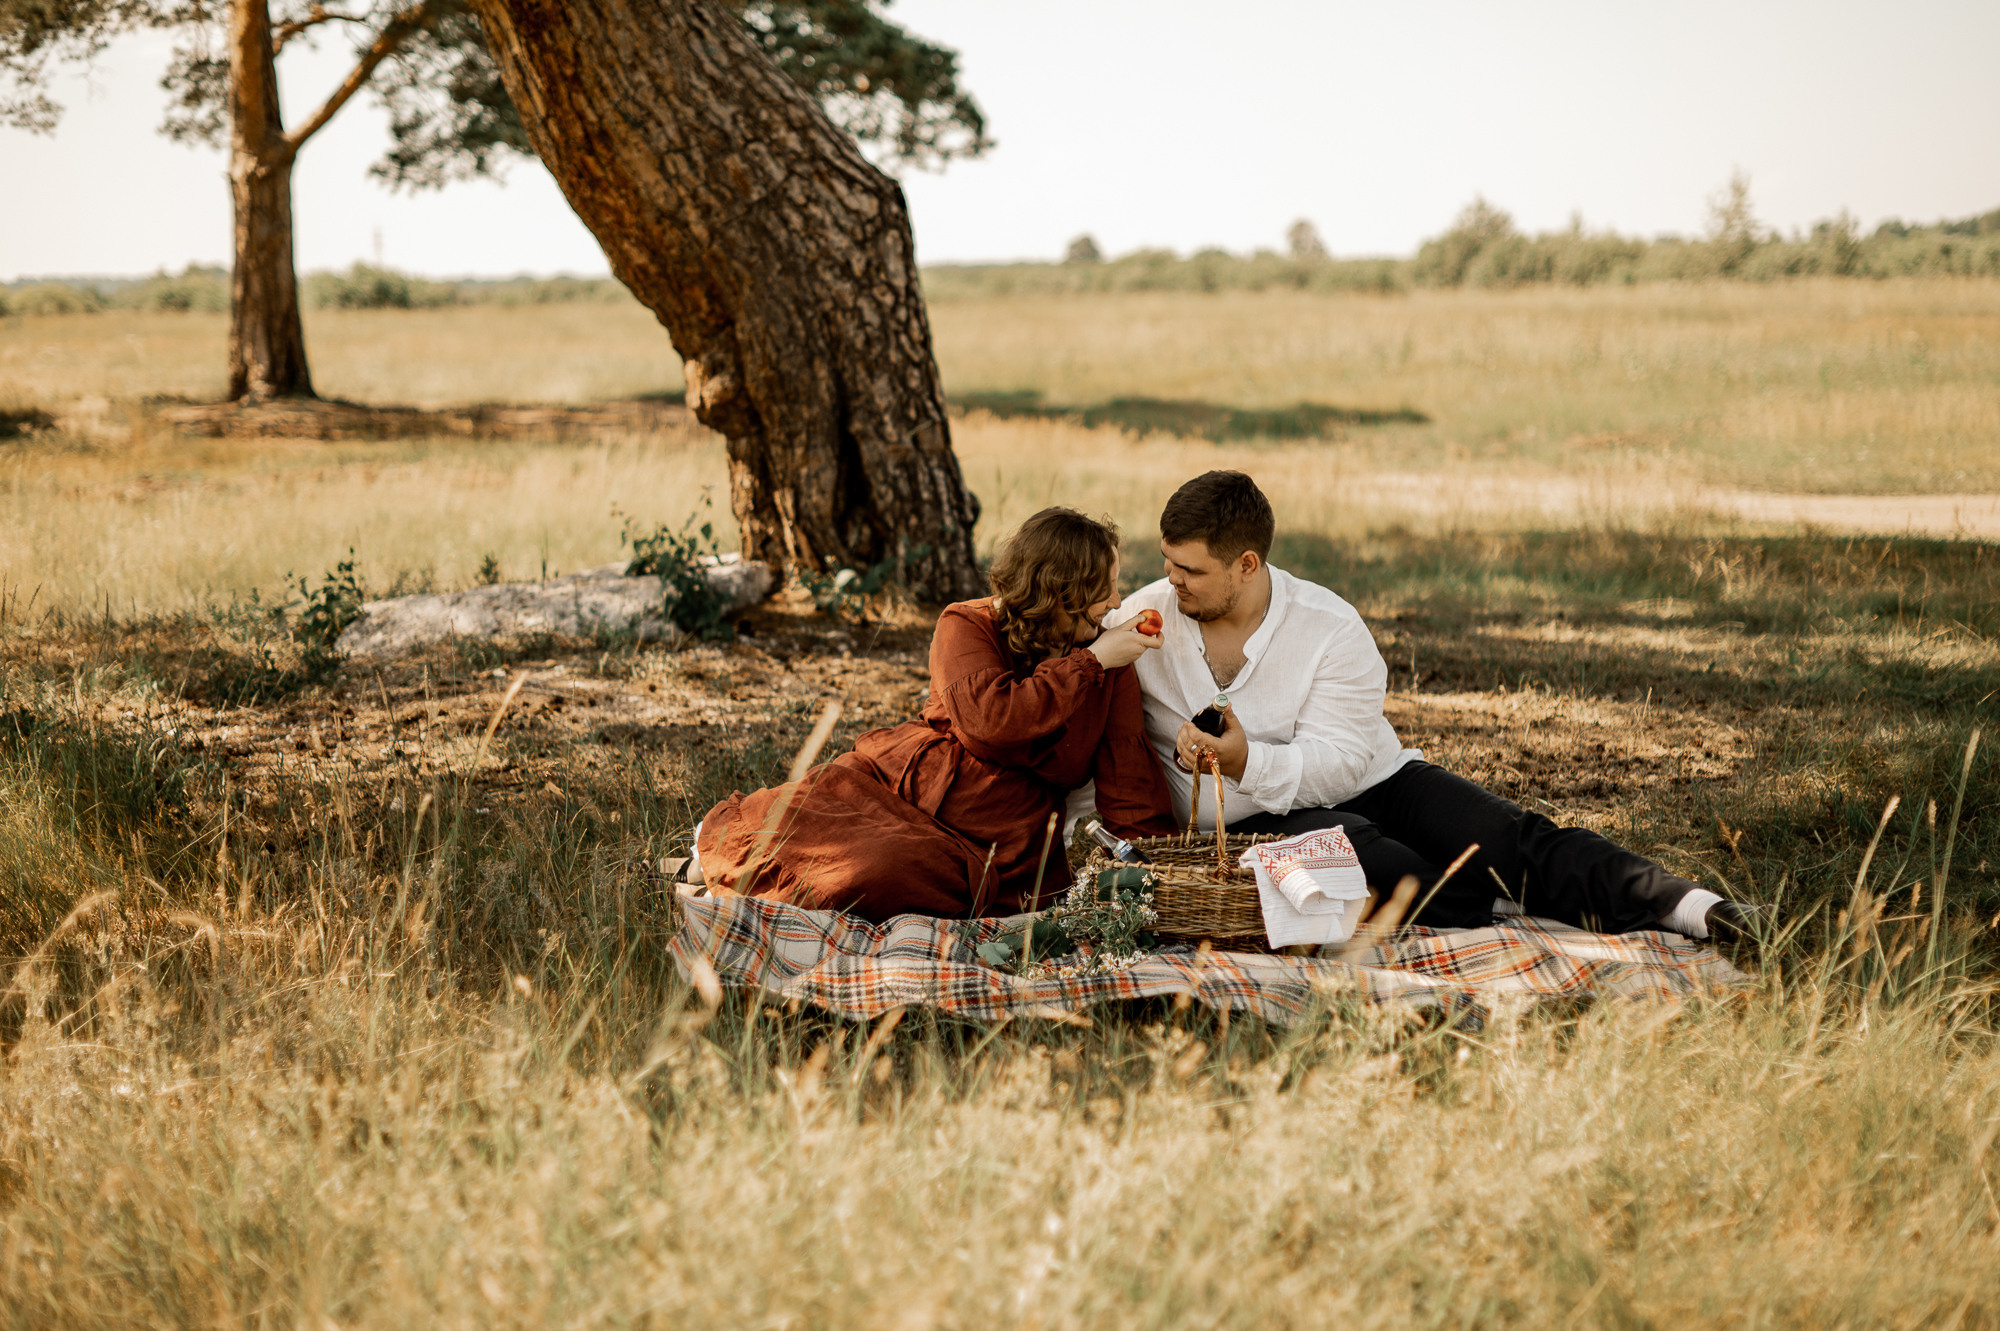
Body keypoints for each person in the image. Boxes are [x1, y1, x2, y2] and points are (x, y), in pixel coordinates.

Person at [1099, 470, 1758, 944]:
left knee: (1509, 835)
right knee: (1381, 867)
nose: (1171, 581)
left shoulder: (1329, 626)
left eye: (1190, 570)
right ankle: (1489, 901)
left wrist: (1245, 759)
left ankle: (1694, 907)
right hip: (1248, 829)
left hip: (1373, 779)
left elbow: (1342, 761)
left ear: (1247, 564)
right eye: (1167, 564)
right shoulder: (1144, 622)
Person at [692, 507, 1177, 921]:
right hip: (904, 788)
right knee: (797, 823)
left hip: (996, 839)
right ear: (1059, 591)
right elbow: (991, 722)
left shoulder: (1109, 663)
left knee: (877, 870)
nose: (1116, 603)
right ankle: (716, 860)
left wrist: (1159, 872)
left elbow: (1127, 777)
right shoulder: (967, 624)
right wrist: (1088, 662)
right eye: (1105, 589)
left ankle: (768, 881)